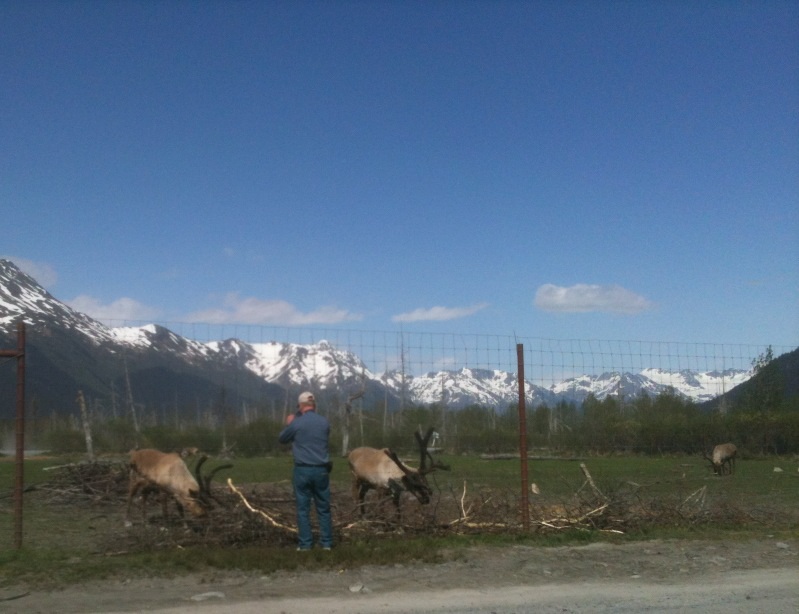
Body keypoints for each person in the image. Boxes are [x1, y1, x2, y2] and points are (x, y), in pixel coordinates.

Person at [278, 391, 333, 551]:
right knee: (323, 508)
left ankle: (305, 544)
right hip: (322, 470)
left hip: (303, 470)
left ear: (301, 406)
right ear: (314, 405)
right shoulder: (324, 422)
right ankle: (326, 543)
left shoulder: (297, 423)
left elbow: (282, 438)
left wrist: (289, 424)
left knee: (303, 509)